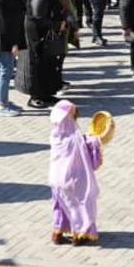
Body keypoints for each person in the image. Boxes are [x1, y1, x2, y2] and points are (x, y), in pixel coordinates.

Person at [48, 100, 104, 245]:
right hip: (73, 179)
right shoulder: (75, 138)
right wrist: (103, 134)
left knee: (60, 205)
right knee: (80, 205)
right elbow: (92, 143)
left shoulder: (55, 135)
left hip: (55, 179)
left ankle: (57, 233)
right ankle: (79, 234)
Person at [24, 0, 69, 109]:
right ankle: (35, 95)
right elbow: (38, 18)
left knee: (48, 65)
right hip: (38, 36)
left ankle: (46, 93)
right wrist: (56, 25)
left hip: (48, 35)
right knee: (38, 65)